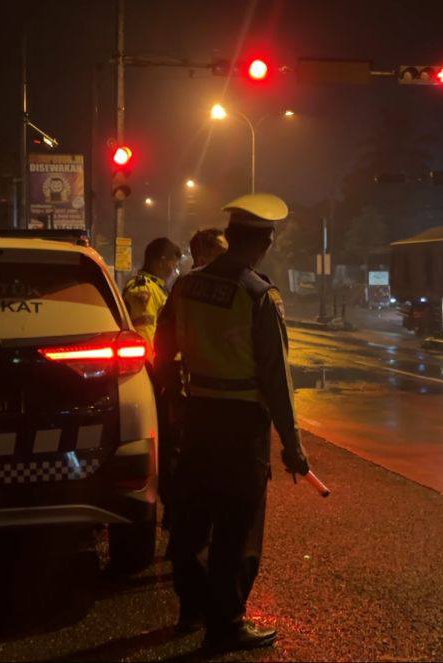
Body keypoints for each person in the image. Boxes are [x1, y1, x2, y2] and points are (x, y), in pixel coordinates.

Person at [153, 193, 310, 652]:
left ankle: (193, 608)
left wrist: (176, 398)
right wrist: (292, 443)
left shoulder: (185, 286)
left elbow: (162, 352)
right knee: (238, 527)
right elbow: (277, 377)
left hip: (198, 415)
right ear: (263, 242)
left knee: (194, 516)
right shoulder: (258, 294)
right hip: (243, 425)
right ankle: (226, 624)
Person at [158, 227, 228, 529]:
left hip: (227, 398)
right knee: (188, 461)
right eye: (220, 253)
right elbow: (164, 342)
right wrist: (170, 387)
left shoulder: (237, 286)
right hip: (195, 394)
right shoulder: (187, 288)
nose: (227, 259)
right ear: (201, 254)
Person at [122, 237, 182, 346]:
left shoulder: (156, 288)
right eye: (174, 265)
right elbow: (145, 335)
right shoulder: (144, 289)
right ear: (161, 262)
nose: (174, 271)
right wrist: (153, 362)